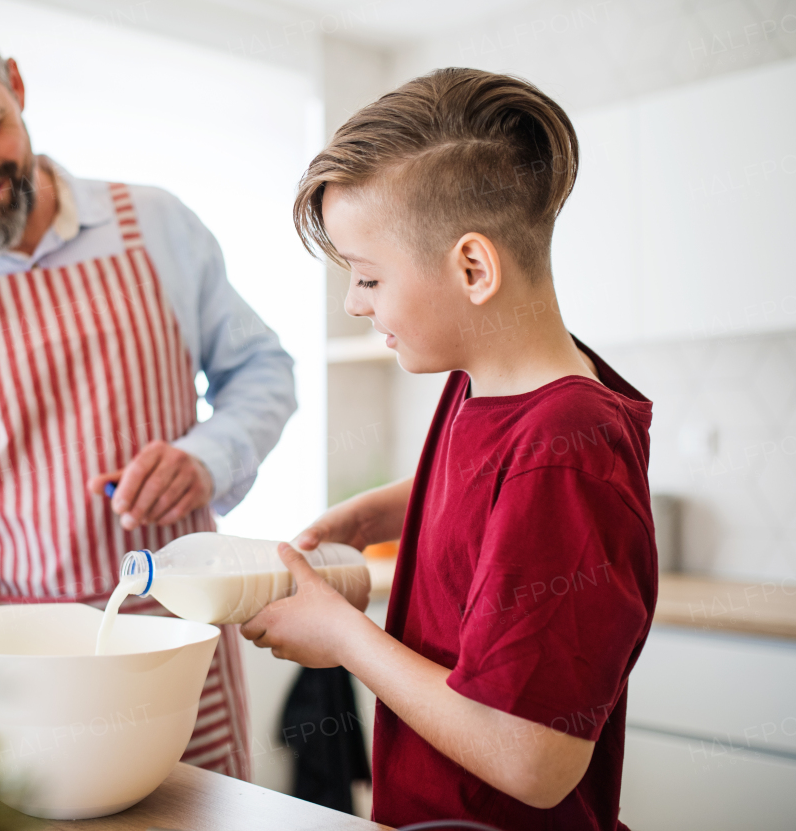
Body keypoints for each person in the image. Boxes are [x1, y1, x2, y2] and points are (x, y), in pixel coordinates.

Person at [0, 0, 297, 781]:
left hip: (178, 654)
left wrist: (206, 456)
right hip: (16, 682)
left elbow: (263, 369)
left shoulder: (156, 225)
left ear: (15, 84)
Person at [241, 68, 656, 829]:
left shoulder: (566, 451)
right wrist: (385, 509)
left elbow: (532, 759)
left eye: (367, 276)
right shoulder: (488, 385)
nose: (353, 302)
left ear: (473, 267)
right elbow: (498, 481)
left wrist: (345, 638)